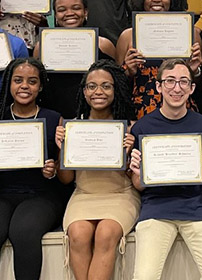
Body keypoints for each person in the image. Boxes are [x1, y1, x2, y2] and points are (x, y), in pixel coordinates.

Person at [0, 58, 70, 280]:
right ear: (9, 84)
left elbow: (63, 178)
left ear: (40, 86)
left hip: (41, 195)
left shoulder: (54, 119)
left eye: (32, 81)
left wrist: (51, 169)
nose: (25, 86)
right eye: (18, 80)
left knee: (24, 231)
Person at [128, 59, 202, 279]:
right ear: (158, 86)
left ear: (192, 88)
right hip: (156, 210)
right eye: (170, 81)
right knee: (144, 277)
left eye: (184, 82)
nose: (177, 88)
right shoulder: (143, 127)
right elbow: (138, 185)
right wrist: (138, 172)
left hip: (198, 208)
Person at [56, 60, 139, 280]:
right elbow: (65, 180)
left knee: (106, 233)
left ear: (116, 90)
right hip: (84, 195)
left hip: (120, 195)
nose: (98, 91)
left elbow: (136, 179)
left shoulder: (129, 128)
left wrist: (130, 152)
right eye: (92, 86)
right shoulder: (72, 128)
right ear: (84, 92)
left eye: (106, 86)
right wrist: (62, 148)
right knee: (78, 234)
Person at [115, 0, 202, 118]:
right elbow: (117, 84)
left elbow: (200, 86)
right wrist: (128, 71)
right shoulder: (127, 36)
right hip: (140, 112)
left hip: (183, 110)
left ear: (172, 0)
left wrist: (195, 71)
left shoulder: (190, 33)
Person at [34, 0, 116, 119]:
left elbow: (115, 83)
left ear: (86, 12)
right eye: (62, 10)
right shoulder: (41, 46)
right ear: (55, 15)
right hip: (54, 113)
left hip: (95, 116)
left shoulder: (104, 45)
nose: (69, 13)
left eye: (76, 8)